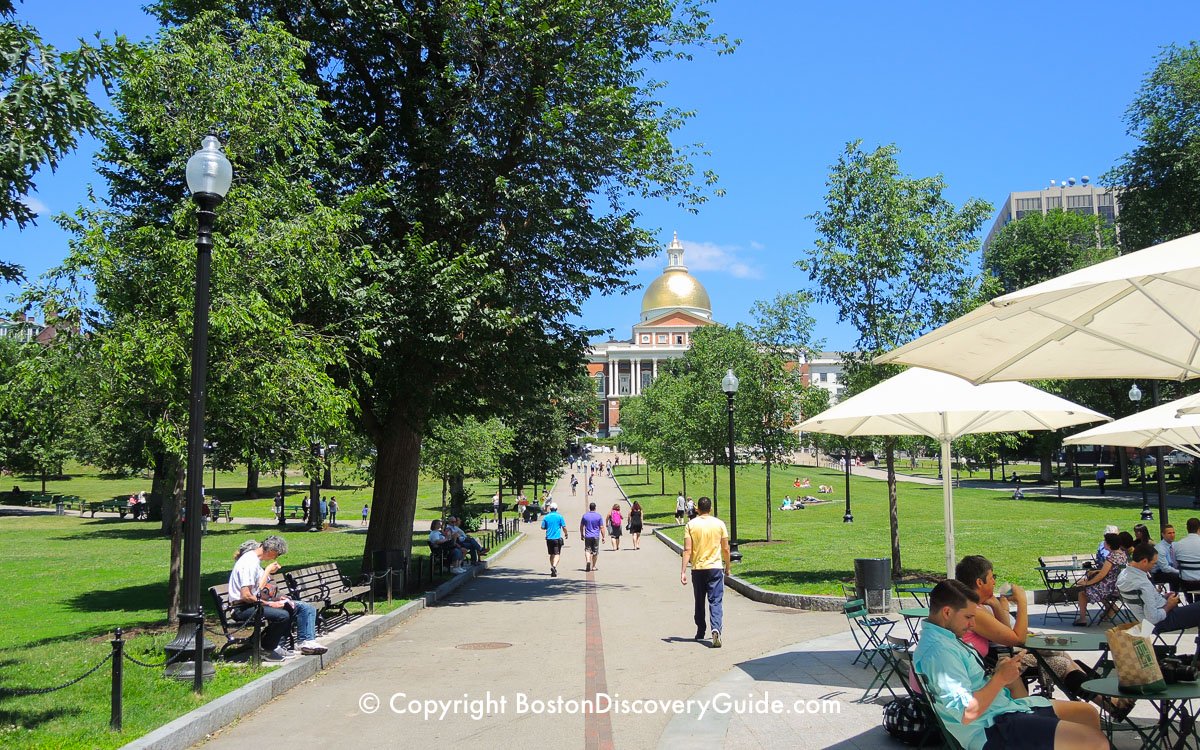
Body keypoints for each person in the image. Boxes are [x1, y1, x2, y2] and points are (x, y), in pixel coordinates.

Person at [912, 580, 1106, 750]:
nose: (972, 624)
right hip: (991, 728)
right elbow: (966, 713)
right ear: (947, 612)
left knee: (1086, 714)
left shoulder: (943, 639)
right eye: (968, 617)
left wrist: (998, 674)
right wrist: (1000, 678)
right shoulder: (939, 651)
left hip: (1002, 711)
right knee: (1096, 742)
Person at [954, 555, 1131, 716]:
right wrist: (1022, 602)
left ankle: (1110, 702)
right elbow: (1017, 638)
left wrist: (995, 603)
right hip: (993, 665)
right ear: (979, 582)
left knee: (1064, 658)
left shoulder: (976, 605)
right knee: (1060, 662)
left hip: (998, 658)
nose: (994, 582)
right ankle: (1110, 703)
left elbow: (1006, 631)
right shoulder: (974, 611)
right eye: (992, 578)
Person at [227, 536, 327, 661]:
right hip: (242, 608)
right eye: (277, 554)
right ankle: (266, 649)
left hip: (252, 604)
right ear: (271, 550)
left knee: (291, 607)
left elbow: (257, 590)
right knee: (282, 615)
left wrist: (276, 599)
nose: (276, 558)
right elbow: (246, 595)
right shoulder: (248, 563)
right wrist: (269, 604)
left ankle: (288, 644)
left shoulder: (254, 562)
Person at [1119, 543, 1200, 645]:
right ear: (1144, 561)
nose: (1153, 567)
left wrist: (1162, 597)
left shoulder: (1123, 575)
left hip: (1146, 619)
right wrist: (1168, 605)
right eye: (1153, 564)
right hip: (1161, 621)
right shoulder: (1143, 584)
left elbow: (1147, 601)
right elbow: (1153, 618)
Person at [681, 496, 730, 648]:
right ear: (711, 509)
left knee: (699, 600)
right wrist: (727, 566)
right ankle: (716, 628)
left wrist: (683, 571)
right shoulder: (719, 524)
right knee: (715, 601)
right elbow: (726, 548)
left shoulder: (691, 524)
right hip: (715, 567)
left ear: (697, 509)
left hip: (698, 568)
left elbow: (687, 549)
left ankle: (701, 630)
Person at [1075, 533, 1125, 626]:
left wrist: (1087, 583)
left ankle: (1082, 619)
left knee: (1082, 592)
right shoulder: (1122, 555)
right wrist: (1096, 571)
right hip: (1117, 585)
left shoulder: (1112, 556)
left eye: (1105, 542)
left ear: (1109, 544)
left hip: (1109, 588)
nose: (1103, 543)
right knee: (1090, 586)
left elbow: (1102, 575)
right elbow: (1112, 570)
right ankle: (1110, 607)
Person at [540, 502, 568, 577]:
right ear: (556, 509)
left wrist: (548, 527)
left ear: (550, 509)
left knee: (551, 554)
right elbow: (564, 527)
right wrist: (566, 533)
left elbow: (542, 527)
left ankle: (552, 566)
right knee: (557, 554)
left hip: (549, 538)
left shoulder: (546, 517)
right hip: (557, 538)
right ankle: (554, 566)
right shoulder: (559, 517)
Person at [1153, 524, 1184, 589]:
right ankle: (1174, 595)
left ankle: (1193, 597)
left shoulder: (1175, 545)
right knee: (1177, 576)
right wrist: (1180, 572)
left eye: (1173, 533)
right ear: (1163, 535)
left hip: (1170, 569)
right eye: (1169, 533)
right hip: (1158, 573)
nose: (1172, 535)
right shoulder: (1160, 548)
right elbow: (1165, 568)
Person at [580, 501, 606, 572]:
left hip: (588, 536)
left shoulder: (585, 516)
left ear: (589, 508)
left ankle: (588, 561)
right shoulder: (598, 516)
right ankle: (593, 566)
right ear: (595, 508)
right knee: (595, 551)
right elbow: (601, 527)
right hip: (595, 536)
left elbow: (581, 526)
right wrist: (603, 537)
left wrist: (582, 534)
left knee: (587, 549)